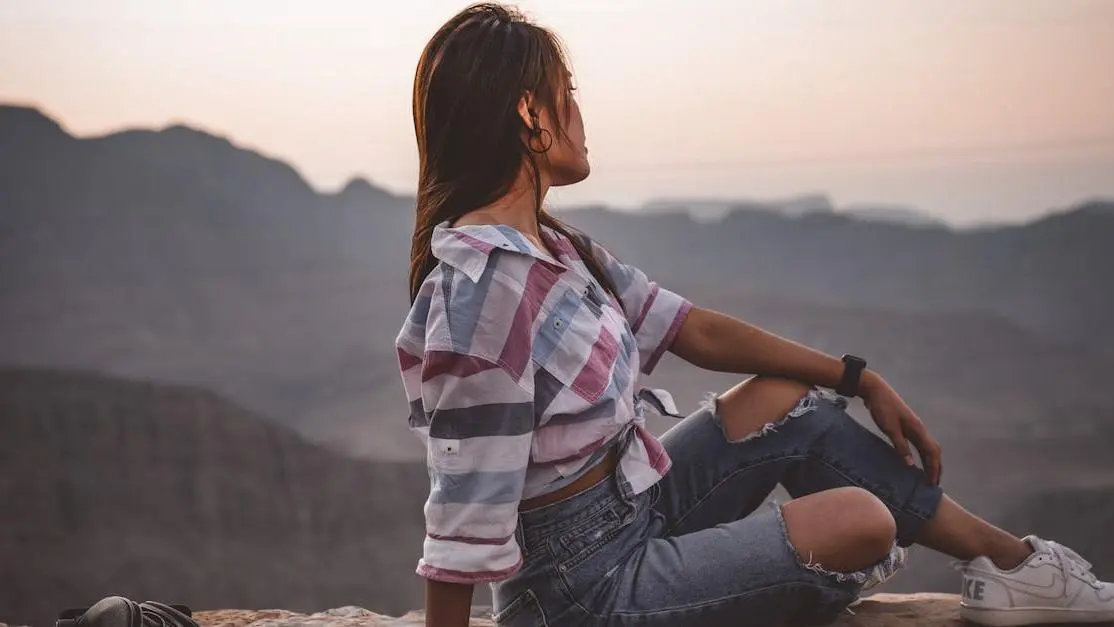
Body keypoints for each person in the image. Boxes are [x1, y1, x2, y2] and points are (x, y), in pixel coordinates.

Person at [395, 4, 1113, 626]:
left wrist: (858, 377)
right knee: (861, 521)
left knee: (782, 396)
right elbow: (462, 517)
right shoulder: (482, 292)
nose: (581, 115)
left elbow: (694, 329)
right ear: (529, 114)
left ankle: (1016, 566)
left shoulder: (558, 250)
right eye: (567, 95)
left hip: (631, 508)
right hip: (578, 593)